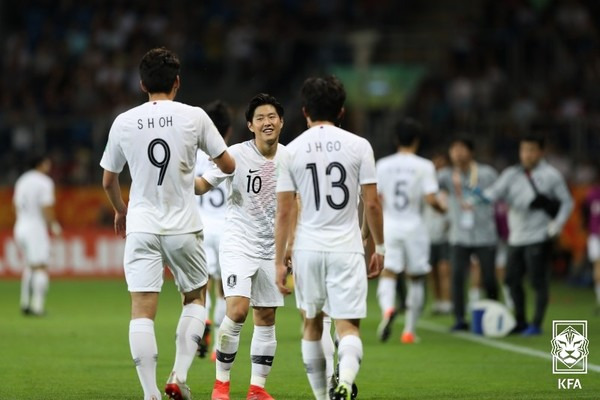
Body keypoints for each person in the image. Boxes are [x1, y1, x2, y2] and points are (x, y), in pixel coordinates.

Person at [100, 47, 235, 400]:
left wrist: (120, 210)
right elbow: (228, 164)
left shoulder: (124, 121)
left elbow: (108, 180)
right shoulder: (194, 117)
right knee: (195, 298)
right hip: (184, 226)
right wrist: (201, 180)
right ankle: (179, 374)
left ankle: (149, 394)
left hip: (142, 225)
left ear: (142, 83)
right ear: (177, 82)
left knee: (141, 310)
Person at [274, 75, 384, 400]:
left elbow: (283, 212)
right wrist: (380, 246)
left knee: (312, 324)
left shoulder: (290, 151)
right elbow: (373, 203)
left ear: (305, 111)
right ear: (342, 111)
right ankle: (346, 381)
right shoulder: (359, 145)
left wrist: (280, 260)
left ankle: (323, 397)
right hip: (346, 247)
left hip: (307, 248)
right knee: (348, 327)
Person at [195, 93, 288, 400]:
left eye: (272, 117)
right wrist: (175, 179)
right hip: (238, 243)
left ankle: (257, 389)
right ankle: (221, 384)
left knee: (266, 316)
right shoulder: (235, 154)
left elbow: (298, 204)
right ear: (250, 125)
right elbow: (202, 185)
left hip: (272, 249)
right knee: (237, 310)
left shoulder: (290, 158)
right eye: (260, 118)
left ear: (282, 122)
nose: (267, 122)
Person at [484, 133, 573, 335]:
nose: (527, 154)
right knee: (510, 280)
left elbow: (567, 202)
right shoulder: (511, 174)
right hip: (516, 237)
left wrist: (557, 224)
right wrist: (480, 197)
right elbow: (494, 192)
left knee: (537, 281)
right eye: (524, 150)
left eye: (532, 150)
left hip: (539, 235)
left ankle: (536, 323)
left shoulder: (551, 175)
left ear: (541, 152)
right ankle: (521, 321)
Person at [374, 118, 446, 344]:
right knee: (416, 277)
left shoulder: (383, 165)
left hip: (391, 224)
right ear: (417, 140)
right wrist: (442, 208)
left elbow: (376, 197)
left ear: (396, 139)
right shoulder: (425, 166)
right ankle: (409, 331)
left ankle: (387, 309)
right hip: (415, 226)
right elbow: (430, 198)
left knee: (389, 273)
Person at [438, 138, 499, 331]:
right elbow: (428, 186)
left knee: (489, 277)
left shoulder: (487, 173)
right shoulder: (446, 175)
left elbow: (499, 194)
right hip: (459, 236)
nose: (457, 153)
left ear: (471, 152)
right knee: (457, 277)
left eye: (462, 148)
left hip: (485, 234)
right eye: (454, 149)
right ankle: (459, 319)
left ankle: (494, 315)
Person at [195, 100, 233, 360]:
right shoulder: (232, 155)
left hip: (199, 228)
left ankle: (202, 324)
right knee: (224, 288)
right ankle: (219, 341)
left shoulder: (191, 155)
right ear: (228, 130)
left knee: (201, 286)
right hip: (227, 230)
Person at [13, 154, 62, 316]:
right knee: (41, 266)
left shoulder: (22, 180)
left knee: (30, 265)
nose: (49, 166)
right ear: (41, 164)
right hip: (35, 227)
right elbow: (46, 206)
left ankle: (25, 303)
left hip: (20, 226)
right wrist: (53, 224)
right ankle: (38, 307)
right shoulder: (44, 182)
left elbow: (15, 205)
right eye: (47, 163)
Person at [423, 151, 452, 315]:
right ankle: (438, 302)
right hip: (428, 235)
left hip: (444, 235)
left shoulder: (447, 190)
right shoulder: (426, 191)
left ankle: (447, 302)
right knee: (432, 272)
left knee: (444, 270)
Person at [583, 171, 600, 313]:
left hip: (594, 235)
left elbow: (585, 211)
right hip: (595, 236)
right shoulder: (592, 194)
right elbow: (585, 211)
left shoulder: (592, 194)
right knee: (598, 267)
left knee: (597, 267)